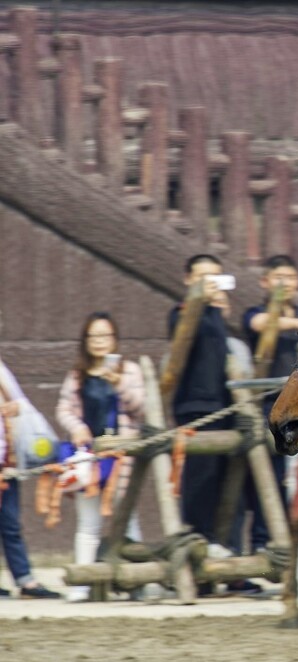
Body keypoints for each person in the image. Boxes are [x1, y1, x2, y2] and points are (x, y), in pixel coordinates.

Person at [54, 312, 146, 602]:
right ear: (85, 341)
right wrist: (77, 428)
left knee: (127, 519)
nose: (99, 342)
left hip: (122, 456)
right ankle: (82, 583)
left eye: (105, 336)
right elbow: (64, 409)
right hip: (90, 459)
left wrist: (118, 383)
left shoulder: (129, 370)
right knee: (88, 523)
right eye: (93, 336)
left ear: (115, 339)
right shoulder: (77, 374)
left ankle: (139, 583)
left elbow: (142, 409)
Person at [241, 255, 298, 555]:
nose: (286, 284)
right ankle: (262, 546)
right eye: (278, 277)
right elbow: (260, 324)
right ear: (265, 282)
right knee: (266, 482)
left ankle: (295, 546)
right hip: (268, 409)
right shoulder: (255, 313)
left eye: (291, 277)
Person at [168, 254, 233, 548]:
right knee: (198, 477)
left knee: (222, 478)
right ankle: (196, 538)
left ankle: (217, 541)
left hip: (223, 405)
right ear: (188, 279)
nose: (210, 283)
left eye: (215, 277)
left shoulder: (217, 314)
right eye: (202, 277)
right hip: (195, 406)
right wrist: (200, 301)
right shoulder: (180, 312)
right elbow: (184, 337)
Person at [0, 356, 62, 598]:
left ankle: (25, 580)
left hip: (7, 460)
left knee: (11, 524)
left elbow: (20, 403)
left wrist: (15, 408)